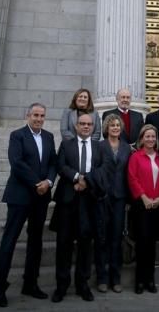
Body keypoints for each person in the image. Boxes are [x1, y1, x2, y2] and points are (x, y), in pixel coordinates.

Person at [0, 103, 56, 308]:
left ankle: (31, 283)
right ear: (28, 115)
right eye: (35, 115)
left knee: (36, 242)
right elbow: (17, 162)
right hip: (20, 196)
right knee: (9, 241)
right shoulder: (17, 135)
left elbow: (53, 163)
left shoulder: (48, 137)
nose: (39, 118)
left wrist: (49, 182)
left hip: (41, 198)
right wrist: (37, 182)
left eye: (42, 115)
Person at [51, 113, 112, 303]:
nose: (86, 127)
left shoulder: (99, 146)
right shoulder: (67, 144)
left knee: (86, 243)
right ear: (76, 126)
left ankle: (82, 284)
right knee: (64, 243)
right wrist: (77, 177)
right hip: (68, 199)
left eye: (89, 124)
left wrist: (87, 181)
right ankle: (61, 285)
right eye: (82, 124)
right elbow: (61, 165)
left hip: (90, 200)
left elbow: (104, 168)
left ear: (93, 127)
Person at [127, 124, 159, 294]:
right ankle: (140, 281)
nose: (150, 139)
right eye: (147, 136)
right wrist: (143, 197)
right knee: (142, 243)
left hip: (157, 205)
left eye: (153, 136)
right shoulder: (136, 156)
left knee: (152, 244)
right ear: (141, 138)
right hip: (142, 206)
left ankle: (150, 280)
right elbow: (132, 178)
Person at [95, 114, 132, 293]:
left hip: (120, 198)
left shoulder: (127, 148)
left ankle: (115, 278)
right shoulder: (99, 146)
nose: (115, 127)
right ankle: (102, 277)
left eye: (118, 125)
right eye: (112, 125)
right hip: (103, 197)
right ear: (106, 128)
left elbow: (129, 174)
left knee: (116, 238)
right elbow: (95, 169)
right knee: (103, 238)